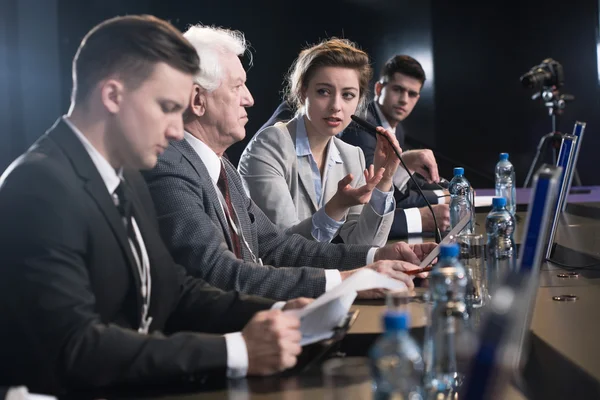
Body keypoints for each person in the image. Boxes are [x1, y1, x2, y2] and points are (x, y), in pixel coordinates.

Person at [0, 15, 312, 394]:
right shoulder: (38, 186)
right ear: (112, 95)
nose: (177, 130)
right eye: (166, 107)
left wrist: (277, 313)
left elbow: (172, 289)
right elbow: (76, 347)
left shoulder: (126, 174)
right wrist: (236, 350)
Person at [143, 26, 434, 301]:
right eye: (238, 86)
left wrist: (377, 257)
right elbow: (218, 274)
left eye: (348, 95)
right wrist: (347, 280)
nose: (250, 99)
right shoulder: (170, 166)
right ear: (197, 100)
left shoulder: (221, 166)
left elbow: (275, 247)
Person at [238, 38, 404, 248]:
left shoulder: (352, 155)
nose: (336, 106)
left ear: (359, 100)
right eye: (324, 91)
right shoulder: (268, 147)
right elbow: (284, 249)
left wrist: (384, 182)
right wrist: (337, 206)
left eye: (348, 95)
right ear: (302, 91)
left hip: (330, 276)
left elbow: (364, 246)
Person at [340, 55, 450, 237]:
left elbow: (402, 190)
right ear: (378, 89)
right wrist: (441, 198)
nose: (404, 100)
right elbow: (375, 193)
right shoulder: (360, 126)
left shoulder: (396, 129)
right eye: (398, 90)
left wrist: (444, 194)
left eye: (412, 94)